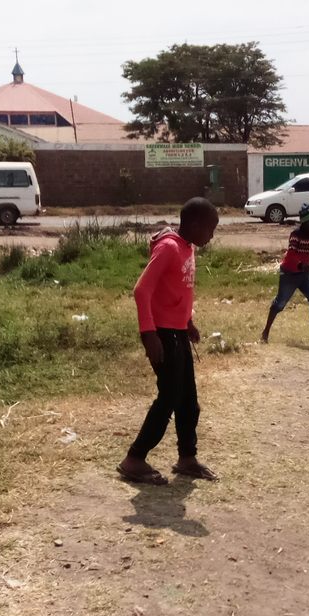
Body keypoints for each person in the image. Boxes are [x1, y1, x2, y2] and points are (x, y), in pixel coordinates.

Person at [117, 197, 220, 487]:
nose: (211, 236)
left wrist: (187, 322)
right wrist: (148, 334)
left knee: (189, 402)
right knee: (169, 398)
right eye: (210, 229)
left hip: (177, 332)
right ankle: (134, 458)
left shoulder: (187, 247)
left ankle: (187, 457)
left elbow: (177, 290)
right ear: (195, 224)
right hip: (162, 335)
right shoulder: (169, 248)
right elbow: (142, 291)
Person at [260, 203, 309, 345]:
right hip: (289, 273)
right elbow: (291, 253)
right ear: (305, 221)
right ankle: (265, 332)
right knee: (280, 303)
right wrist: (300, 264)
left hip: (304, 274)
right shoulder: (296, 235)